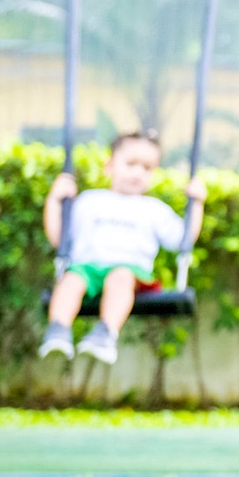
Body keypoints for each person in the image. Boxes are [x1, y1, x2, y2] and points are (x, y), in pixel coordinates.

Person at [39, 131, 200, 365]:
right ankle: (58, 330)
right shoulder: (88, 201)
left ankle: (105, 334)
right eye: (131, 164)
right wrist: (54, 200)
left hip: (130, 273)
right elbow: (59, 238)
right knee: (71, 280)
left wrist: (197, 204)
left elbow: (182, 240)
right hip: (87, 268)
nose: (138, 173)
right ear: (110, 166)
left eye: (147, 168)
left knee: (120, 276)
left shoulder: (153, 209)